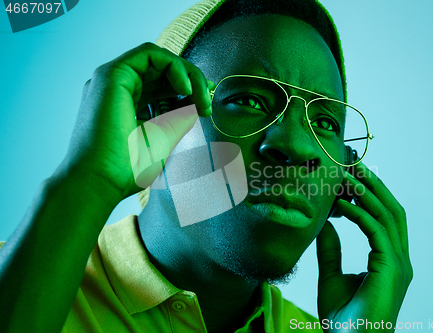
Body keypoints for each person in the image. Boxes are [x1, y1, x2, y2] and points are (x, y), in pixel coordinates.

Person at [0, 0, 412, 332]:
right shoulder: (17, 277)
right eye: (248, 101)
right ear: (151, 118)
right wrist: (85, 184)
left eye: (324, 123)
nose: (298, 146)